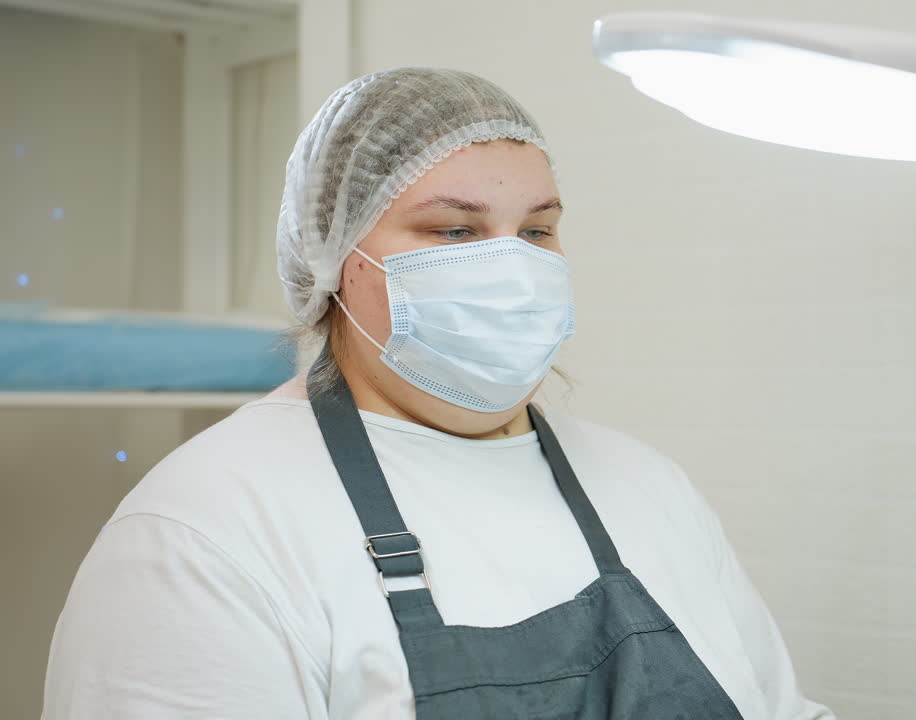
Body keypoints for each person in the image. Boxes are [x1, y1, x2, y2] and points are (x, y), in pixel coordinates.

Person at [42, 67, 833, 719]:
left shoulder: (648, 486)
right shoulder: (207, 530)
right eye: (454, 232)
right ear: (336, 257)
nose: (513, 268)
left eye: (537, 231)